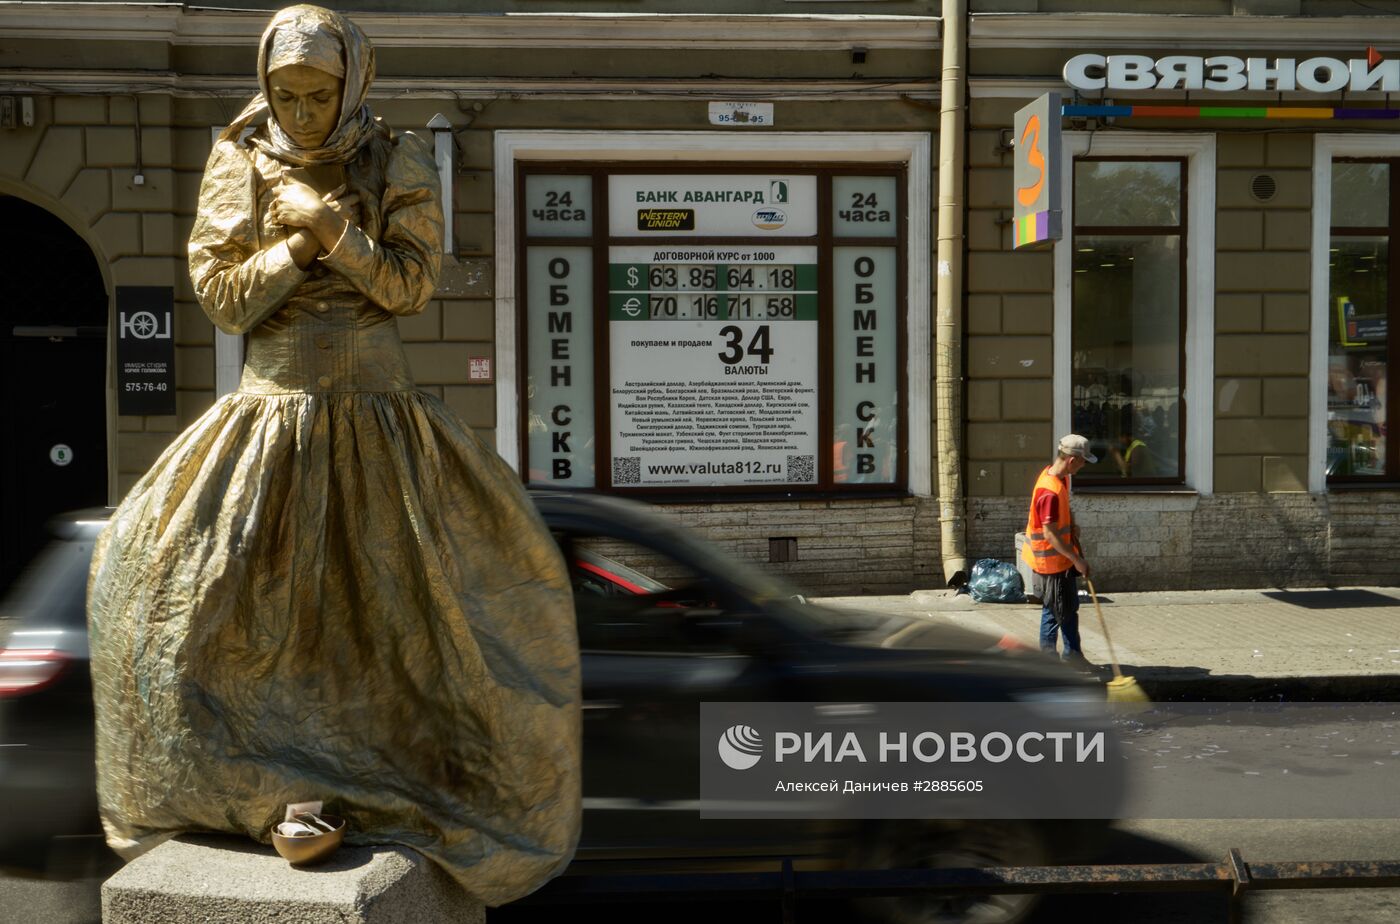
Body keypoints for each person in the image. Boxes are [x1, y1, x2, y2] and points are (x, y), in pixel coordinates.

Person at [87, 6, 580, 906]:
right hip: (266, 421)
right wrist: (295, 242)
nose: (303, 111)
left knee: (405, 618)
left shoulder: (395, 156)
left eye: (319, 94)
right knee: (202, 608)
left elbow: (410, 285)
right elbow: (224, 302)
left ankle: (373, 786)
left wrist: (337, 226)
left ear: (354, 82)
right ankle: (276, 787)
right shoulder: (238, 156)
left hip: (381, 424)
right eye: (285, 93)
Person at [1020, 434, 1094, 665]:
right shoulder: (1049, 491)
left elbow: (1062, 513)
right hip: (1051, 563)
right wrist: (1076, 560)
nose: (1083, 466)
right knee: (1054, 612)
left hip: (1059, 561)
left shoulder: (1058, 477)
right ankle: (1048, 663)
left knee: (1067, 609)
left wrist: (1071, 524)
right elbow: (1050, 534)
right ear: (1072, 461)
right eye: (1083, 462)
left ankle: (1073, 655)